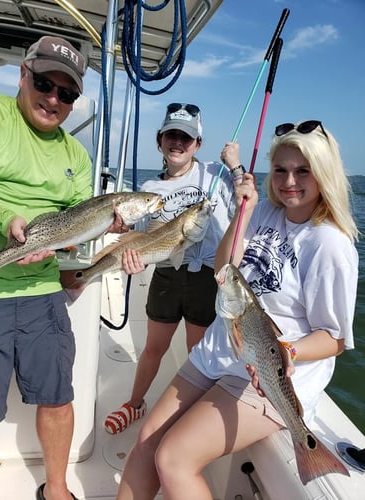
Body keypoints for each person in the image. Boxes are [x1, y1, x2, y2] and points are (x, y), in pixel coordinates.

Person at [116, 120, 359, 499]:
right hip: (217, 351)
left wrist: (287, 352)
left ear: (324, 174)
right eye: (280, 169)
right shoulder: (265, 214)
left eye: (302, 171)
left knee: (174, 458)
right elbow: (222, 270)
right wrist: (244, 213)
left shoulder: (330, 245)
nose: (289, 180)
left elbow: (334, 339)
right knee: (147, 439)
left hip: (267, 374)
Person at [0, 35, 126, 500]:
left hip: (42, 292)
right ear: (22, 75)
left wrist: (102, 234)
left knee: (58, 395)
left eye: (67, 93)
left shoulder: (76, 155)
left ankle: (58, 488)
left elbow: (74, 226)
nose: (54, 99)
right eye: (45, 84)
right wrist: (6, 220)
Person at [104, 102, 242, 434]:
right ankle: (135, 403)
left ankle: (193, 419)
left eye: (186, 137)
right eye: (171, 135)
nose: (177, 142)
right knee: (154, 347)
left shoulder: (215, 174)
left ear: (197, 144)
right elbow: (141, 236)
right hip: (166, 272)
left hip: (208, 276)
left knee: (198, 351)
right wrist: (128, 249)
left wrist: (235, 167)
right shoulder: (151, 190)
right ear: (159, 140)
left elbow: (245, 201)